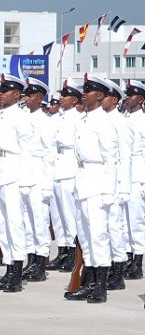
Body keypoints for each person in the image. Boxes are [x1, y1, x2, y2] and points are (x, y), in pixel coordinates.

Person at [64, 75, 119, 303]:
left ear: (101, 95)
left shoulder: (104, 123)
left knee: (98, 235)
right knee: (85, 237)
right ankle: (90, 282)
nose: (84, 93)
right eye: (84, 89)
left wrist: (109, 191)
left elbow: (111, 159)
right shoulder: (84, 120)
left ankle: (101, 288)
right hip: (83, 180)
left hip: (98, 181)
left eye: (90, 90)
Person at [0, 74, 32, 292]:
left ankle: (17, 273)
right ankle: (8, 266)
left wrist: (25, 181)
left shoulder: (21, 117)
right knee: (2, 225)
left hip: (14, 173)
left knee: (15, 224)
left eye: (5, 91)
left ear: (16, 94)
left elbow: (28, 152)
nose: (1, 95)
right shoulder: (0, 116)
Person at [19, 78, 54, 282]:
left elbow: (50, 156)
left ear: (40, 98)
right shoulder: (24, 119)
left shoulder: (45, 122)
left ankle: (40, 263)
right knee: (27, 222)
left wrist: (47, 185)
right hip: (25, 176)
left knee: (39, 222)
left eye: (30, 96)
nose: (26, 98)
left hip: (39, 177)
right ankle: (31, 260)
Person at [46, 80, 82, 273]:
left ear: (74, 99)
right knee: (58, 215)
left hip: (69, 168)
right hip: (57, 168)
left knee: (70, 214)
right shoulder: (58, 118)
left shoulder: (79, 118)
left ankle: (73, 252)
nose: (61, 98)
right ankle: (62, 249)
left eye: (65, 95)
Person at [102, 78, 131, 292]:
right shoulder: (99, 120)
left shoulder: (121, 122)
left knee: (114, 227)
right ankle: (107, 266)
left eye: (105, 96)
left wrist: (123, 187)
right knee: (102, 229)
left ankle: (118, 271)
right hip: (100, 182)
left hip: (115, 184)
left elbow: (125, 158)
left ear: (114, 99)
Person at [122, 80, 145, 279]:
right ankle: (128, 256)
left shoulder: (142, 120)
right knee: (124, 219)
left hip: (138, 171)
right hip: (124, 172)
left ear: (141, 99)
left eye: (133, 95)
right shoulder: (124, 118)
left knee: (136, 219)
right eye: (127, 94)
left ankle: (137, 261)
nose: (128, 98)